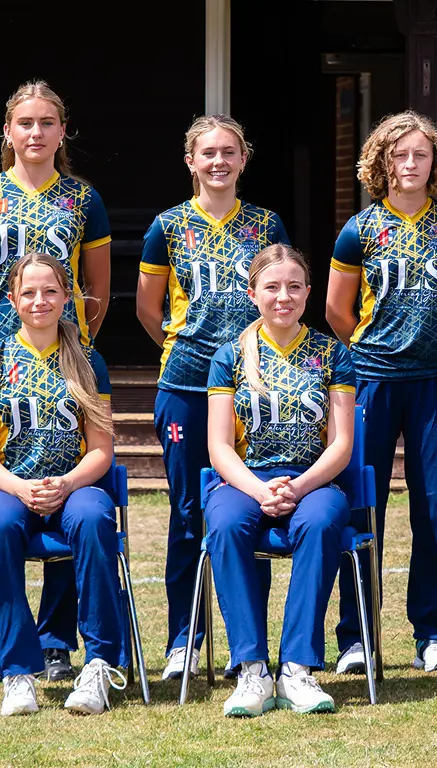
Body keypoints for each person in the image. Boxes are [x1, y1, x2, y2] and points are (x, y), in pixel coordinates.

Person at [0, 80, 112, 680]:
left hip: (67, 359)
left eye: (48, 122)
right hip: (3, 353)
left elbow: (95, 288)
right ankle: (2, 647)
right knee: (6, 500)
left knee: (74, 497)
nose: (36, 132)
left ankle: (54, 640)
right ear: (8, 131)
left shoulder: (81, 198)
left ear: (62, 131)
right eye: (25, 122)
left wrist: (78, 345)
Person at [324, 110, 437, 675]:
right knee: (362, 505)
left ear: (434, 162)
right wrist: (378, 354)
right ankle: (357, 635)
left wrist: (435, 349)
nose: (410, 164)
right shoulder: (359, 229)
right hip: (370, 380)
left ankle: (433, 632)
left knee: (434, 507)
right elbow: (336, 312)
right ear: (382, 163)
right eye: (400, 155)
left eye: (420, 154)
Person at [137, 114, 290, 682]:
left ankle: (245, 643)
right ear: (191, 162)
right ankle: (185, 637)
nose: (219, 162)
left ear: (244, 160)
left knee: (250, 509)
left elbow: (279, 294)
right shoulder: (168, 226)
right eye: (208, 153)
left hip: (257, 388)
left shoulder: (267, 223)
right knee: (188, 513)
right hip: (185, 387)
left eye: (229, 151)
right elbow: (149, 310)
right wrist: (189, 347)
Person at [0, 252, 128, 717]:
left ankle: (98, 663)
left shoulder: (88, 360)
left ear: (67, 297)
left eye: (51, 291)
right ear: (12, 299)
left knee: (95, 518)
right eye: (29, 292)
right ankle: (17, 671)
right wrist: (17, 487)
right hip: (7, 487)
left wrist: (68, 482)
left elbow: (101, 450)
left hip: (74, 486)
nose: (40, 301)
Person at [203, 245, 357, 717]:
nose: (283, 297)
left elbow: (341, 444)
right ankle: (251, 667)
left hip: (313, 482)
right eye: (272, 287)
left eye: (294, 287)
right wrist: (258, 489)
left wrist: (300, 485)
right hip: (245, 482)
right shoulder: (230, 356)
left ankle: (296, 669)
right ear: (253, 294)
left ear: (309, 293)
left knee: (323, 521)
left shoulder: (332, 354)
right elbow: (219, 446)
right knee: (225, 525)